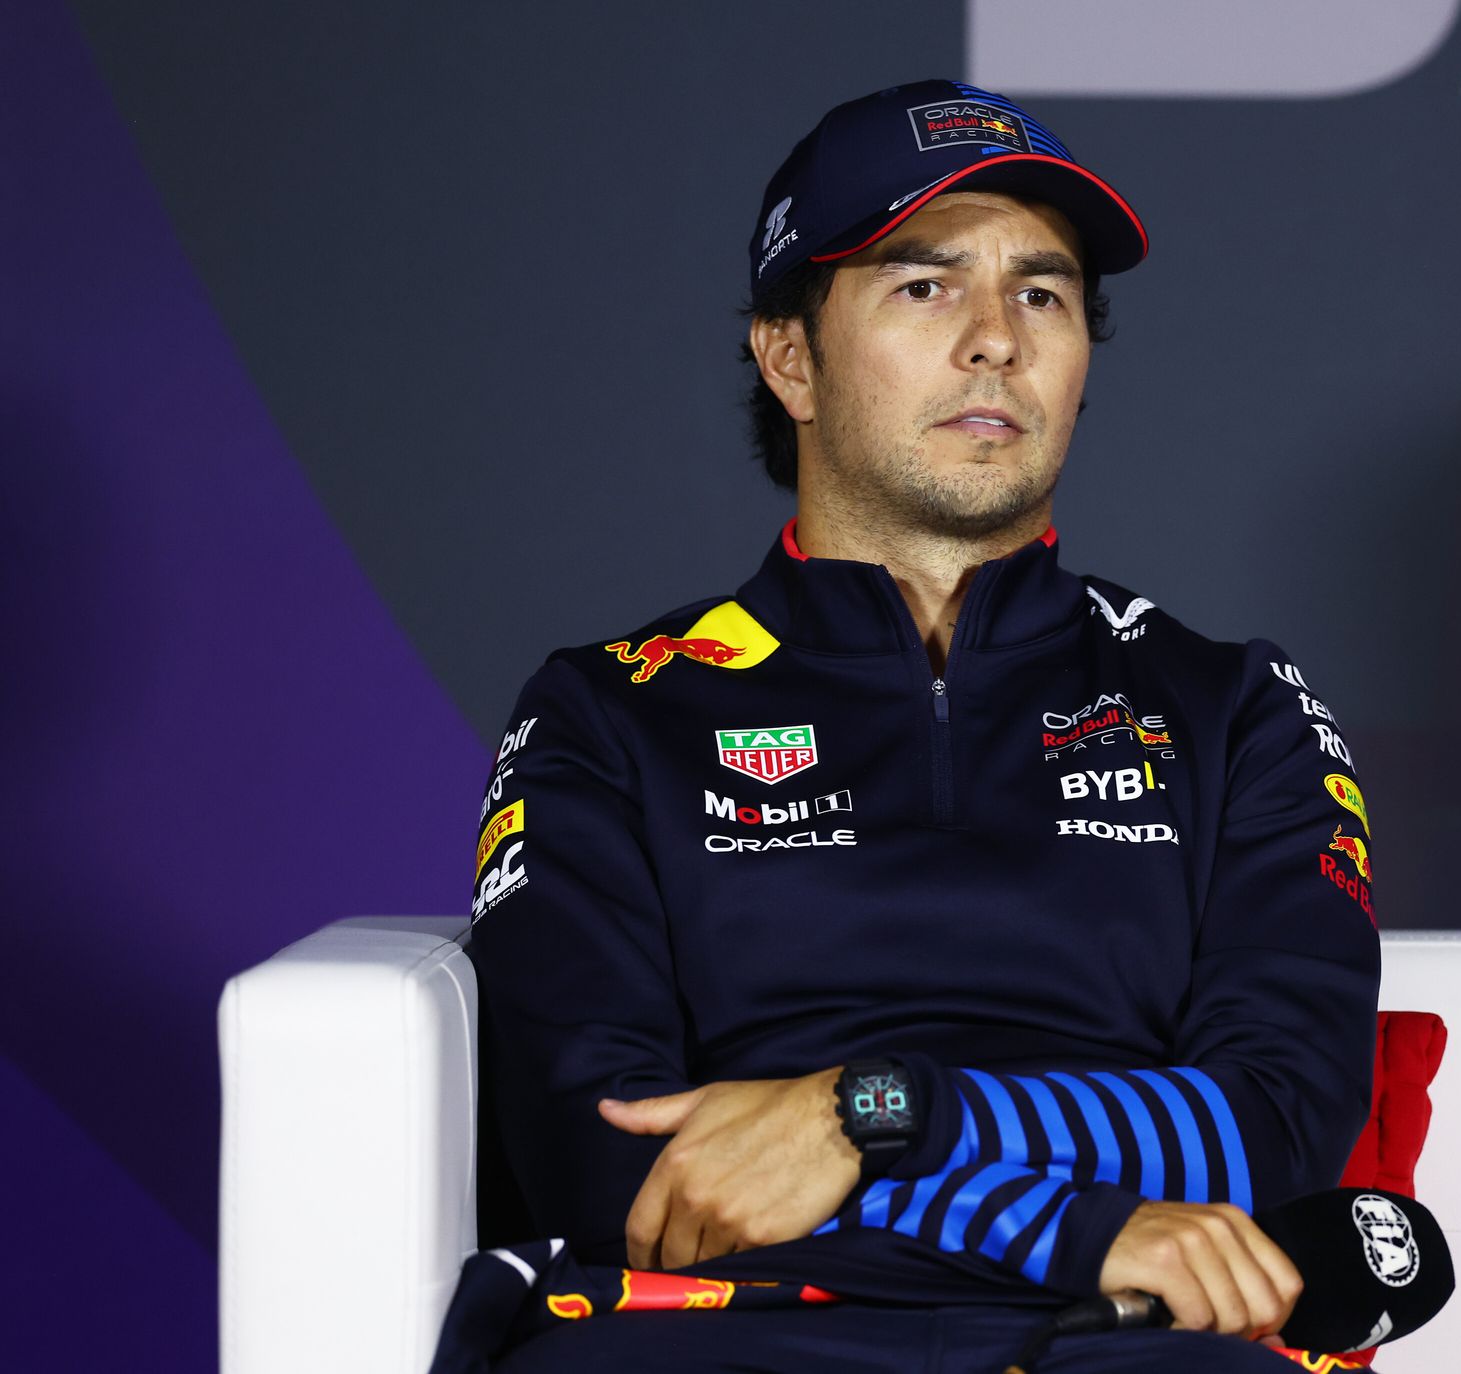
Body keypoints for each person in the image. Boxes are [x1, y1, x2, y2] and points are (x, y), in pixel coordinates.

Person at [466, 78, 1381, 1372]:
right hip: (732, 1330)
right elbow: (610, 1159)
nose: (996, 339)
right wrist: (1064, 1225)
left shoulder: (1238, 709)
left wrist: (877, 1114)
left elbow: (1271, 1129)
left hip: (1122, 1342)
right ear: (790, 357)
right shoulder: (611, 709)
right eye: (924, 285)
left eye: (1043, 294)